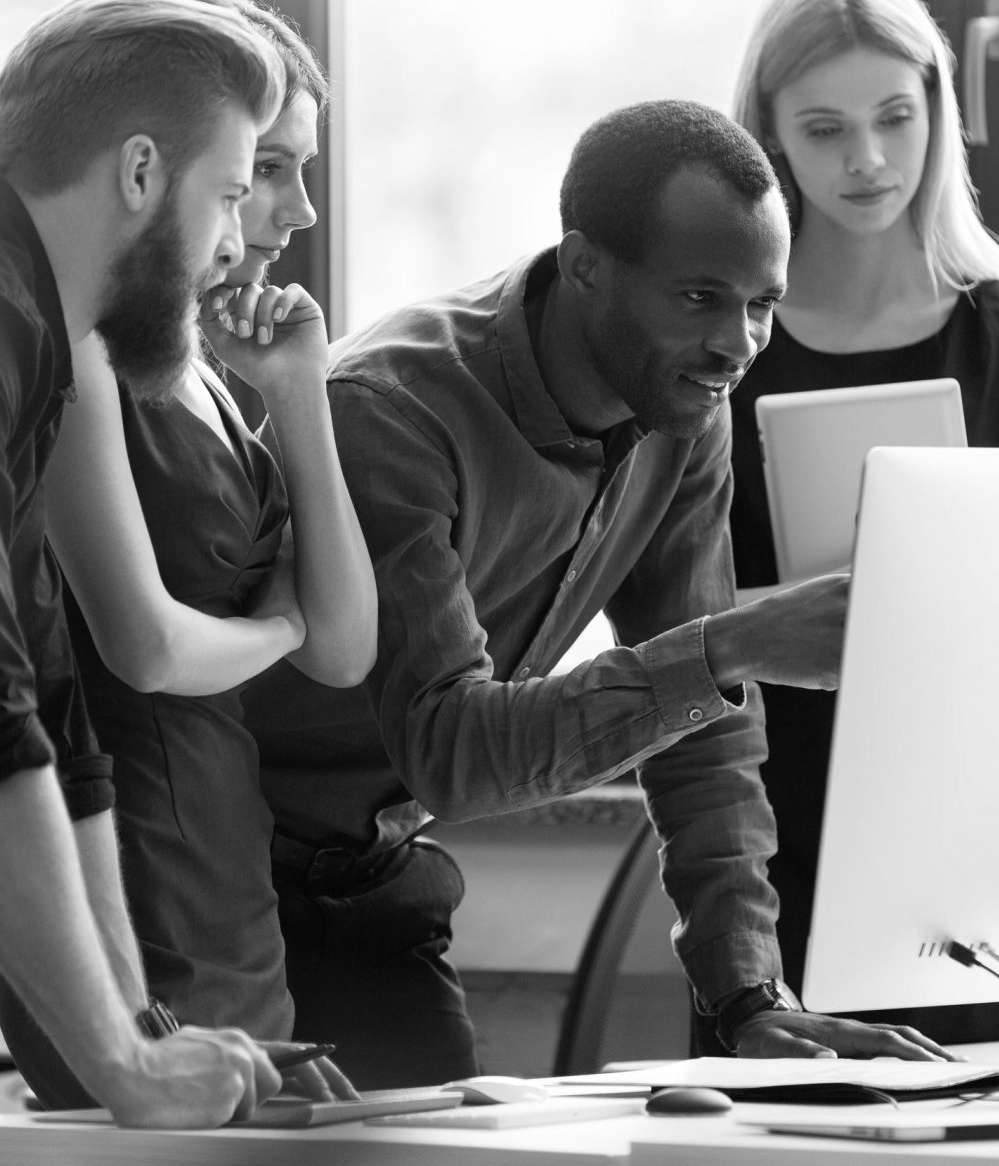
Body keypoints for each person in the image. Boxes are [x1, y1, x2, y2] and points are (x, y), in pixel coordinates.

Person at [241, 98, 952, 1089]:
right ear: (584, 265)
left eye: (760, 303)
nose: (738, 344)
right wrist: (730, 647)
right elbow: (451, 751)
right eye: (700, 297)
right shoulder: (390, 414)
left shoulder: (684, 411)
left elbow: (704, 729)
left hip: (372, 871)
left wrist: (747, 997)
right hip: (217, 872)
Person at [21, 0, 376, 1109]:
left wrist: (133, 1035)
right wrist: (121, 1054)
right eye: (241, 181)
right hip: (155, 859)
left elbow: (43, 701)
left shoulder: (86, 338)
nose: (254, 229)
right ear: (141, 171)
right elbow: (52, 689)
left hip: (201, 870)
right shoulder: (40, 330)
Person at [715, 0, 999, 1053]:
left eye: (894, 117)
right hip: (768, 821)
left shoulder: (992, 328)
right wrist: (785, 619)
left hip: (969, 816)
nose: (868, 160)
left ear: (937, 107)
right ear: (771, 136)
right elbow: (650, 617)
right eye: (825, 128)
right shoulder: (718, 350)